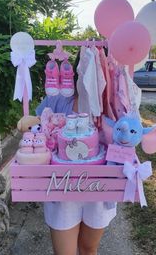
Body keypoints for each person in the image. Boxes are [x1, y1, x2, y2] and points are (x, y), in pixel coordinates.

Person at [36, 93, 117, 255]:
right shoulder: (57, 96)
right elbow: (38, 126)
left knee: (88, 249)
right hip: (62, 188)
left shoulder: (110, 98)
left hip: (98, 189)